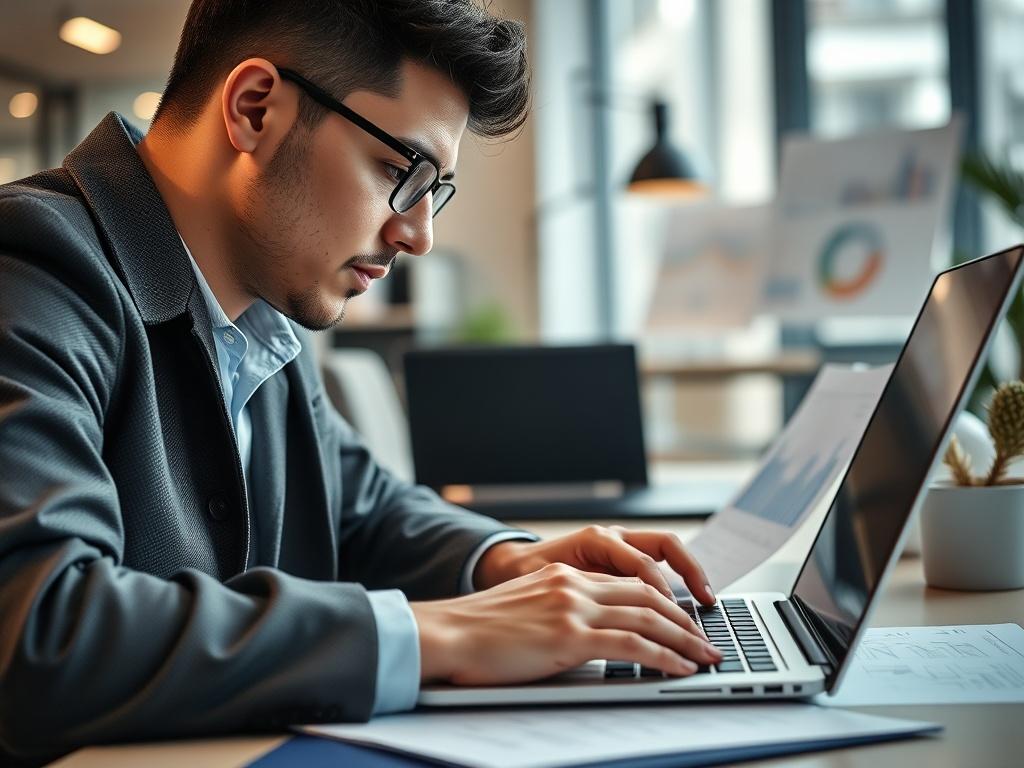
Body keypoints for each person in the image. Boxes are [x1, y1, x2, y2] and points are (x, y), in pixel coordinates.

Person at [0, 1, 721, 763]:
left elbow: (363, 510)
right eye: (399, 171)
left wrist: (508, 563)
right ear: (255, 110)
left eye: (434, 190)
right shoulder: (34, 268)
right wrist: (445, 631)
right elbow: (41, 631)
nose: (419, 233)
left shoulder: (256, 309)